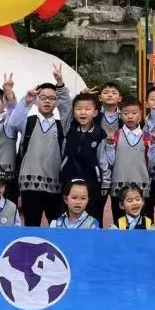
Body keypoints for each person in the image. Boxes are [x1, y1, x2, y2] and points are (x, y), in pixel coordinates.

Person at [8, 66, 72, 226]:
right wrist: (26, 102)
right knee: (31, 226)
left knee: (56, 226)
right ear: (37, 101)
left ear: (57, 102)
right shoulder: (28, 123)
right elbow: (13, 123)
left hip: (55, 186)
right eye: (43, 97)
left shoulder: (62, 126)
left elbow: (68, 110)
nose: (47, 101)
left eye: (52, 98)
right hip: (29, 186)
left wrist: (60, 83)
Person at [104, 97, 155, 223]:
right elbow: (110, 161)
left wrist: (154, 144)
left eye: (134, 113)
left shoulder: (147, 136)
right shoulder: (115, 135)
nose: (130, 116)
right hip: (118, 187)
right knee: (119, 222)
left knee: (144, 223)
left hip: (141, 188)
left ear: (140, 114)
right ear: (120, 115)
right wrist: (109, 145)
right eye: (126, 113)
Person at [60, 91, 110, 226]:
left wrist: (106, 181)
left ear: (95, 112)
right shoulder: (68, 129)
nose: (83, 112)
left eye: (87, 109)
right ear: (73, 112)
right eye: (78, 109)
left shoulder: (99, 134)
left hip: (92, 182)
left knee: (93, 217)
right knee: (68, 216)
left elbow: (103, 160)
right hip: (68, 180)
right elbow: (64, 105)